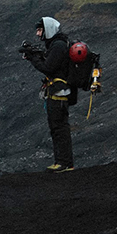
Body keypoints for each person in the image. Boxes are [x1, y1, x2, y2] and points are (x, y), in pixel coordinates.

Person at [25, 16, 74, 173]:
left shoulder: (58, 46)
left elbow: (48, 67)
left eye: (40, 30)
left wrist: (33, 58)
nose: (38, 34)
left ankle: (64, 163)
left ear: (48, 29)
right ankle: (61, 162)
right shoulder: (57, 45)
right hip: (58, 91)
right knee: (57, 127)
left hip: (58, 92)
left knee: (59, 127)